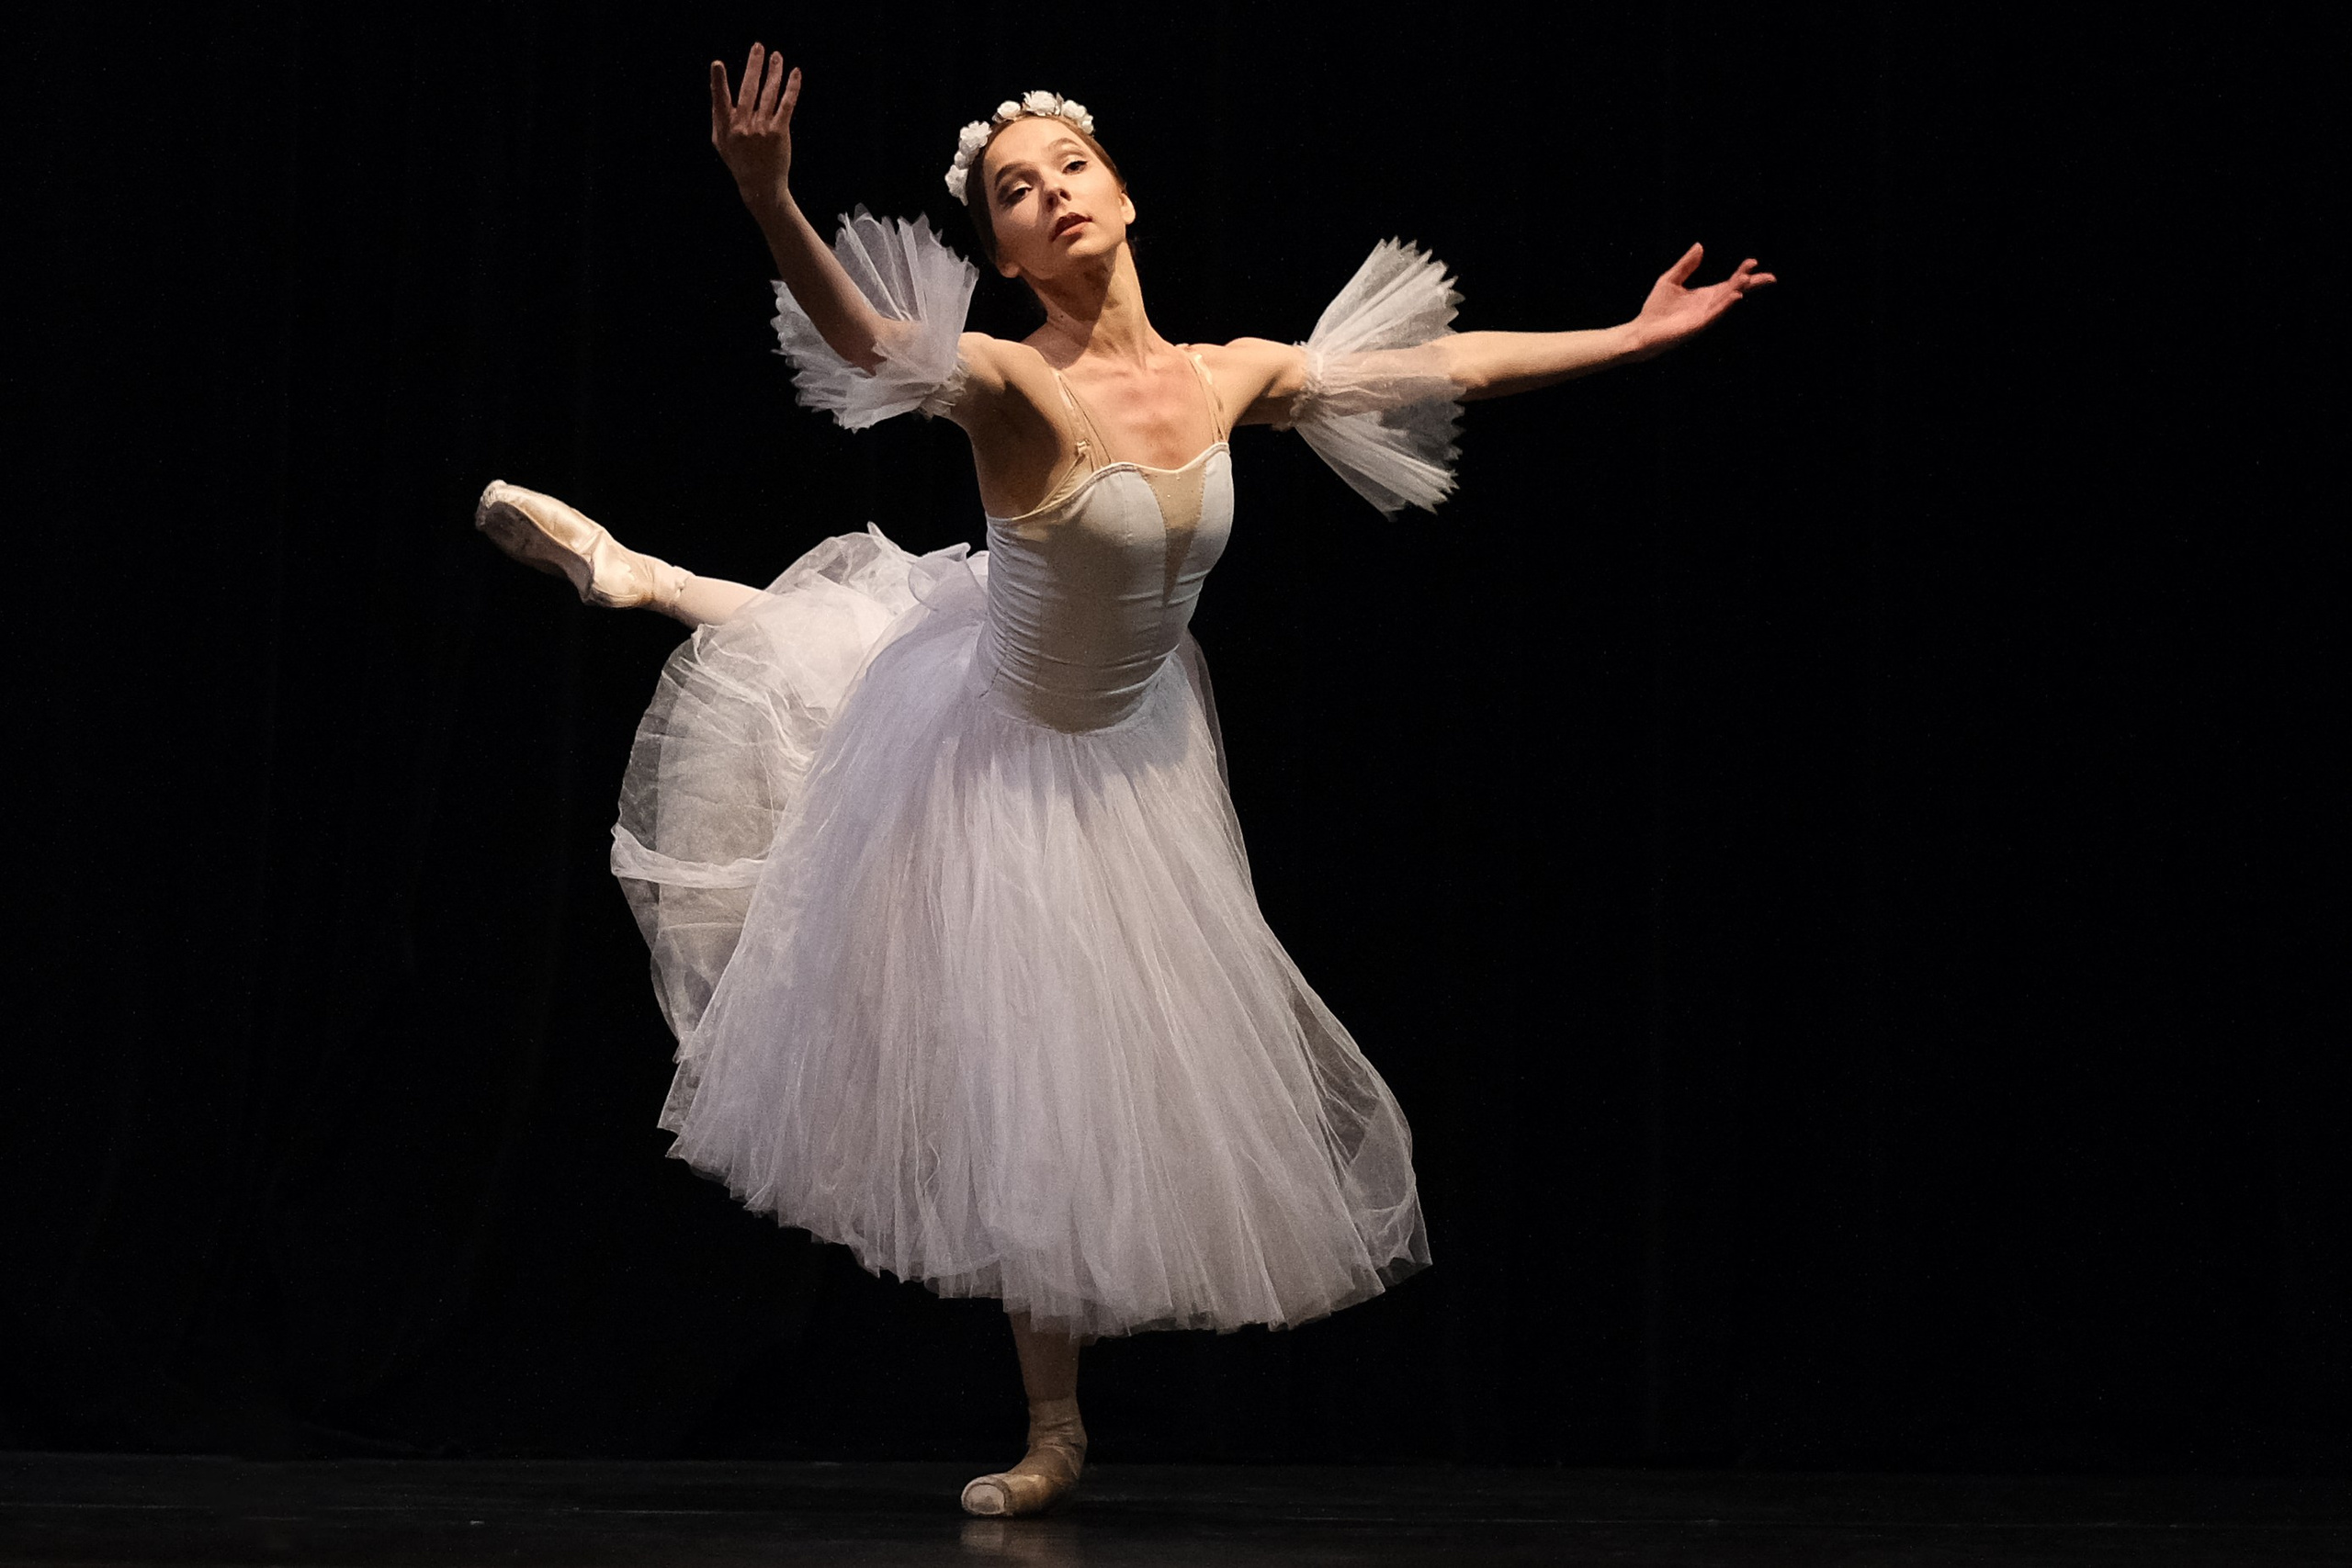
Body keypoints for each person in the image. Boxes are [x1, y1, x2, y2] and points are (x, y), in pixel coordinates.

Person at [474, 43, 1774, 1517]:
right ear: (1005, 250)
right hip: (1002, 747)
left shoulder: (1232, 376)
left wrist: (1632, 335)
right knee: (865, 731)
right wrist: (772, 202)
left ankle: (652, 577)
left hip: (1131, 736)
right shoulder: (1014, 385)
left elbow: (1445, 363)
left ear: (1124, 191)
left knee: (1017, 964)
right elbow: (871, 340)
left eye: (1068, 168)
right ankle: (1054, 1430)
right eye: (1013, 193)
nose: (1049, 196)